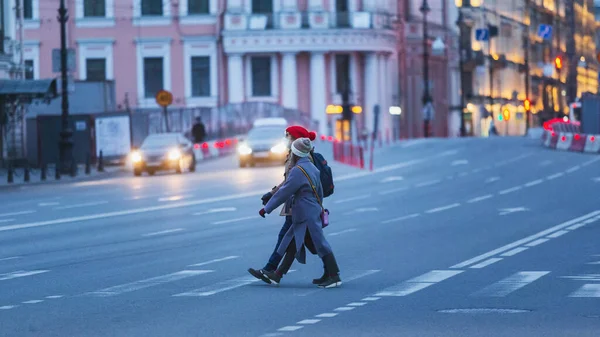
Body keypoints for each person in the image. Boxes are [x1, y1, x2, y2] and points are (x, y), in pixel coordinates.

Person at [248, 126, 328, 285]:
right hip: (300, 206)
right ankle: (275, 272)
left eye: (288, 136)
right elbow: (289, 182)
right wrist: (272, 194)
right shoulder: (296, 155)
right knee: (293, 241)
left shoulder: (299, 158)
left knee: (299, 239)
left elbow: (289, 184)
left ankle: (332, 272)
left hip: (299, 207)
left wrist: (269, 203)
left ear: (295, 139)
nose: (286, 139)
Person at [258, 138, 342, 288]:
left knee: (320, 244)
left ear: (295, 154)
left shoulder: (298, 171)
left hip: (305, 214)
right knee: (291, 241)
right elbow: (320, 192)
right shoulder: (312, 167)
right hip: (310, 210)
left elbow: (284, 192)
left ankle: (334, 276)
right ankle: (276, 275)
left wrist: (267, 208)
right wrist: (317, 206)